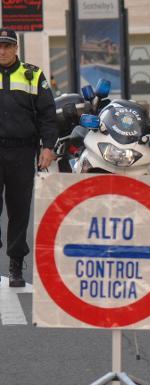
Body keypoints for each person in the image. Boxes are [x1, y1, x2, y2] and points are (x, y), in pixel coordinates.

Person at [0, 28, 57, 287]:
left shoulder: (33, 75)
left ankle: (15, 265)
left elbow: (47, 115)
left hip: (21, 152)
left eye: (8, 46)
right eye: (0, 46)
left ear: (16, 49)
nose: (3, 51)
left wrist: (48, 147)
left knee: (19, 210)